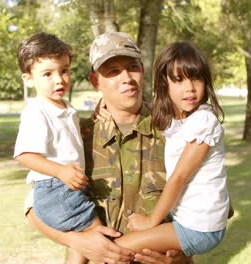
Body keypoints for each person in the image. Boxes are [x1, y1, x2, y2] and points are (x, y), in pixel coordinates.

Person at [25, 32, 193, 263]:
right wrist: (77, 242)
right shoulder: (79, 136)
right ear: (96, 81)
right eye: (113, 71)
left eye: (132, 67)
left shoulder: (177, 130)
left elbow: (213, 204)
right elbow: (33, 208)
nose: (126, 78)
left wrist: (183, 253)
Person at [115, 41, 230, 257]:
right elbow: (145, 109)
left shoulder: (204, 120)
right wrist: (105, 102)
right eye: (178, 80)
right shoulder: (178, 121)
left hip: (200, 227)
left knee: (118, 249)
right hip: (188, 220)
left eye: (196, 78)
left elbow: (179, 177)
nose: (190, 88)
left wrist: (151, 221)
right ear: (164, 83)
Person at [13, 32, 102, 263]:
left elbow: (69, 137)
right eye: (48, 74)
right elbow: (24, 155)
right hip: (56, 189)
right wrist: (60, 171)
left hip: (67, 187)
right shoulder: (37, 111)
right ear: (28, 78)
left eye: (64, 70)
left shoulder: (63, 106)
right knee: (100, 242)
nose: (59, 79)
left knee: (81, 248)